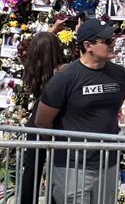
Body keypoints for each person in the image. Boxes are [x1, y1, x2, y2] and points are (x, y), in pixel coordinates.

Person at [35, 19, 125, 204]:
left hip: (107, 163)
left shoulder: (119, 74)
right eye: (107, 41)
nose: (113, 44)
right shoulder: (65, 78)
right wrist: (66, 150)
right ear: (88, 45)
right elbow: (42, 122)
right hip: (72, 167)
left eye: (113, 39)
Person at [20, 32, 67, 204]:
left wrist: (52, 28)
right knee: (58, 165)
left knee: (32, 167)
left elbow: (27, 46)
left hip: (35, 119)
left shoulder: (31, 66)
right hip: (55, 118)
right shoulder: (62, 71)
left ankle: (26, 200)